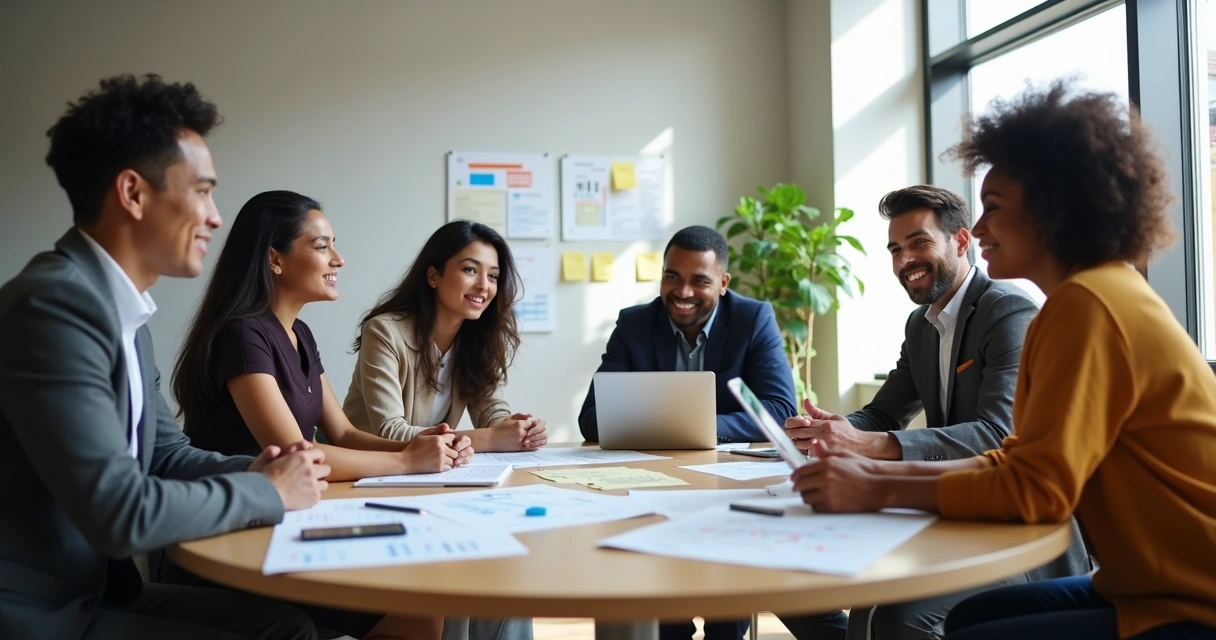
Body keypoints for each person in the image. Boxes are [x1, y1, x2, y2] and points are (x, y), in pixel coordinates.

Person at [792, 80, 1216, 640]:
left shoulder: (1086, 306)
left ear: (1053, 211)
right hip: (1135, 583)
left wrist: (878, 484)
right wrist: (870, 469)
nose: (982, 229)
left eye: (993, 209)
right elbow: (1018, 457)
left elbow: (1038, 491)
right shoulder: (1084, 298)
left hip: (1188, 599)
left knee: (953, 629)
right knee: (969, 619)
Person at [0, 74, 329, 640]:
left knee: (286, 626)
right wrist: (269, 492)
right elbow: (119, 512)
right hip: (37, 612)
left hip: (93, 590)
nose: (215, 217)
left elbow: (166, 455)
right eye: (202, 191)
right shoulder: (54, 307)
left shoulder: (121, 309)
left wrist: (260, 469)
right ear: (132, 193)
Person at [779, 186, 1088, 640]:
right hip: (952, 517)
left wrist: (864, 445)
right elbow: (884, 415)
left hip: (1021, 538)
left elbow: (997, 434)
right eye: (895, 249)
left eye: (919, 243)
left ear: (961, 242)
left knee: (899, 619)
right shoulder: (921, 325)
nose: (905, 260)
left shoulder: (1008, 311)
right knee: (796, 582)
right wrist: (831, 430)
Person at [170, 190, 467, 639]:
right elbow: (299, 452)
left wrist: (421, 445)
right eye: (322, 245)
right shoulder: (242, 335)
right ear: (275, 258)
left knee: (427, 599)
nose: (339, 260)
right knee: (417, 610)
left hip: (288, 518)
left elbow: (343, 432)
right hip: (236, 540)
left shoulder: (299, 333)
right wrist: (408, 462)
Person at [578, 225, 797, 640]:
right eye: (672, 276)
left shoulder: (753, 318)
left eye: (700, 280)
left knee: (726, 605)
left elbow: (780, 411)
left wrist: (699, 427)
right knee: (663, 607)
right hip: (652, 484)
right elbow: (592, 418)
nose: (682, 291)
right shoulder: (635, 323)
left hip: (728, 484)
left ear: (724, 283)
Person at [345, 220, 547, 455]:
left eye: (493, 276)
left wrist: (517, 429)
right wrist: (491, 438)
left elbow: (488, 409)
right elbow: (390, 430)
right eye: (470, 270)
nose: (484, 285)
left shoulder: (476, 338)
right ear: (433, 276)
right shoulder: (384, 331)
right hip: (363, 466)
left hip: (424, 467)